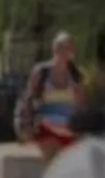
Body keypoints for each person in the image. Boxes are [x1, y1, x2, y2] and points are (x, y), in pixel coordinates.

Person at [21, 32, 87, 163]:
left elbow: (80, 104)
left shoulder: (75, 75)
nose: (66, 51)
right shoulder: (41, 72)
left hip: (68, 128)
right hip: (46, 127)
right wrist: (26, 125)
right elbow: (28, 99)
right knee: (51, 163)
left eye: (69, 47)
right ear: (55, 49)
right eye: (62, 46)